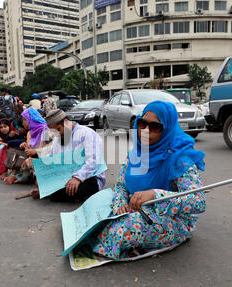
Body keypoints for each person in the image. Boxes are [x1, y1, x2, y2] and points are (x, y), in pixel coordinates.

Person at [90, 101, 206, 260]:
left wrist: (155, 195)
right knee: (97, 219)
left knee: (119, 231)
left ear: (167, 130)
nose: (145, 131)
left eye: (155, 127)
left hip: (171, 219)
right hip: (135, 209)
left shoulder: (180, 158)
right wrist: (120, 204)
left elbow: (198, 201)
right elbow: (121, 185)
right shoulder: (136, 152)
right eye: (142, 124)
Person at [29, 109, 105, 202]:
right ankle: (54, 193)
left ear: (66, 122)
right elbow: (52, 162)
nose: (57, 134)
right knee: (43, 183)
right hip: (65, 177)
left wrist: (77, 178)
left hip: (89, 177)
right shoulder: (58, 139)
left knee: (80, 187)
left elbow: (93, 162)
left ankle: (53, 194)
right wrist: (42, 178)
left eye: (58, 129)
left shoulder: (87, 134)